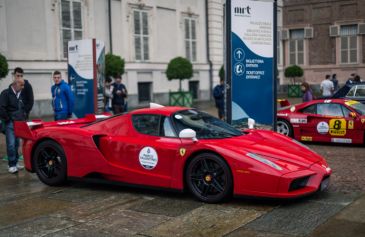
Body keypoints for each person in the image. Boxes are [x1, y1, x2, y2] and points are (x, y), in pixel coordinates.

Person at [0, 78, 26, 173]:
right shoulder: (5, 93)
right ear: (15, 84)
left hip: (18, 122)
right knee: (10, 144)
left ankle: (15, 162)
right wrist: (8, 119)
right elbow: (1, 108)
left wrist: (23, 118)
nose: (23, 87)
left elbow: (22, 108)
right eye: (21, 85)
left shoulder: (19, 94)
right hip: (10, 122)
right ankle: (11, 165)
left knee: (16, 144)